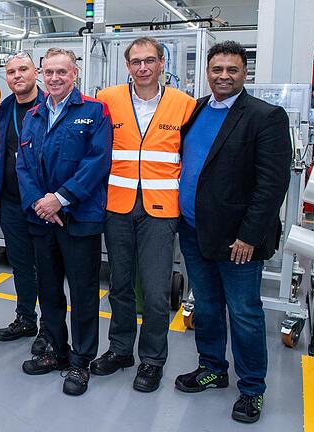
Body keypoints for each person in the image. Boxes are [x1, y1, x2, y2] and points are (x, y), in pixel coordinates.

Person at [174, 41, 291, 423]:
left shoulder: (265, 116)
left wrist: (249, 236)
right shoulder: (196, 111)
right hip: (194, 231)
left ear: (245, 73)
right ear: (207, 72)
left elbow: (271, 185)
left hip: (237, 240)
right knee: (206, 307)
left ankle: (252, 389)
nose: (223, 76)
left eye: (232, 70)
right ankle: (212, 367)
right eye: (217, 69)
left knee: (243, 313)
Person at [92, 37, 196, 392]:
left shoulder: (184, 105)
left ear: (162, 63)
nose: (142, 67)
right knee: (119, 286)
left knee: (154, 292)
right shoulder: (108, 100)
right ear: (127, 66)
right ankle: (121, 350)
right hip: (117, 206)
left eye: (149, 60)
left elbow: (193, 159)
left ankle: (152, 360)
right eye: (135, 62)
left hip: (160, 211)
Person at [16, 47, 112, 396]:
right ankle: (56, 351)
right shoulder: (34, 115)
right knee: (50, 290)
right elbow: (23, 165)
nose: (55, 78)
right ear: (42, 74)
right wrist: (42, 204)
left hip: (80, 218)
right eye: (49, 72)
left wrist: (61, 198)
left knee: (84, 292)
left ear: (75, 74)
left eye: (62, 72)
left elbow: (97, 162)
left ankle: (81, 361)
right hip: (43, 220)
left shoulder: (94, 111)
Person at [0, 52, 48, 353]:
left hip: (44, 204)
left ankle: (49, 329)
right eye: (11, 71)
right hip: (13, 203)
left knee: (48, 267)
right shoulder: (5, 109)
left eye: (23, 69)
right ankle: (26, 317)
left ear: (35, 72)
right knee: (22, 265)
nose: (17, 76)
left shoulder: (51, 106)